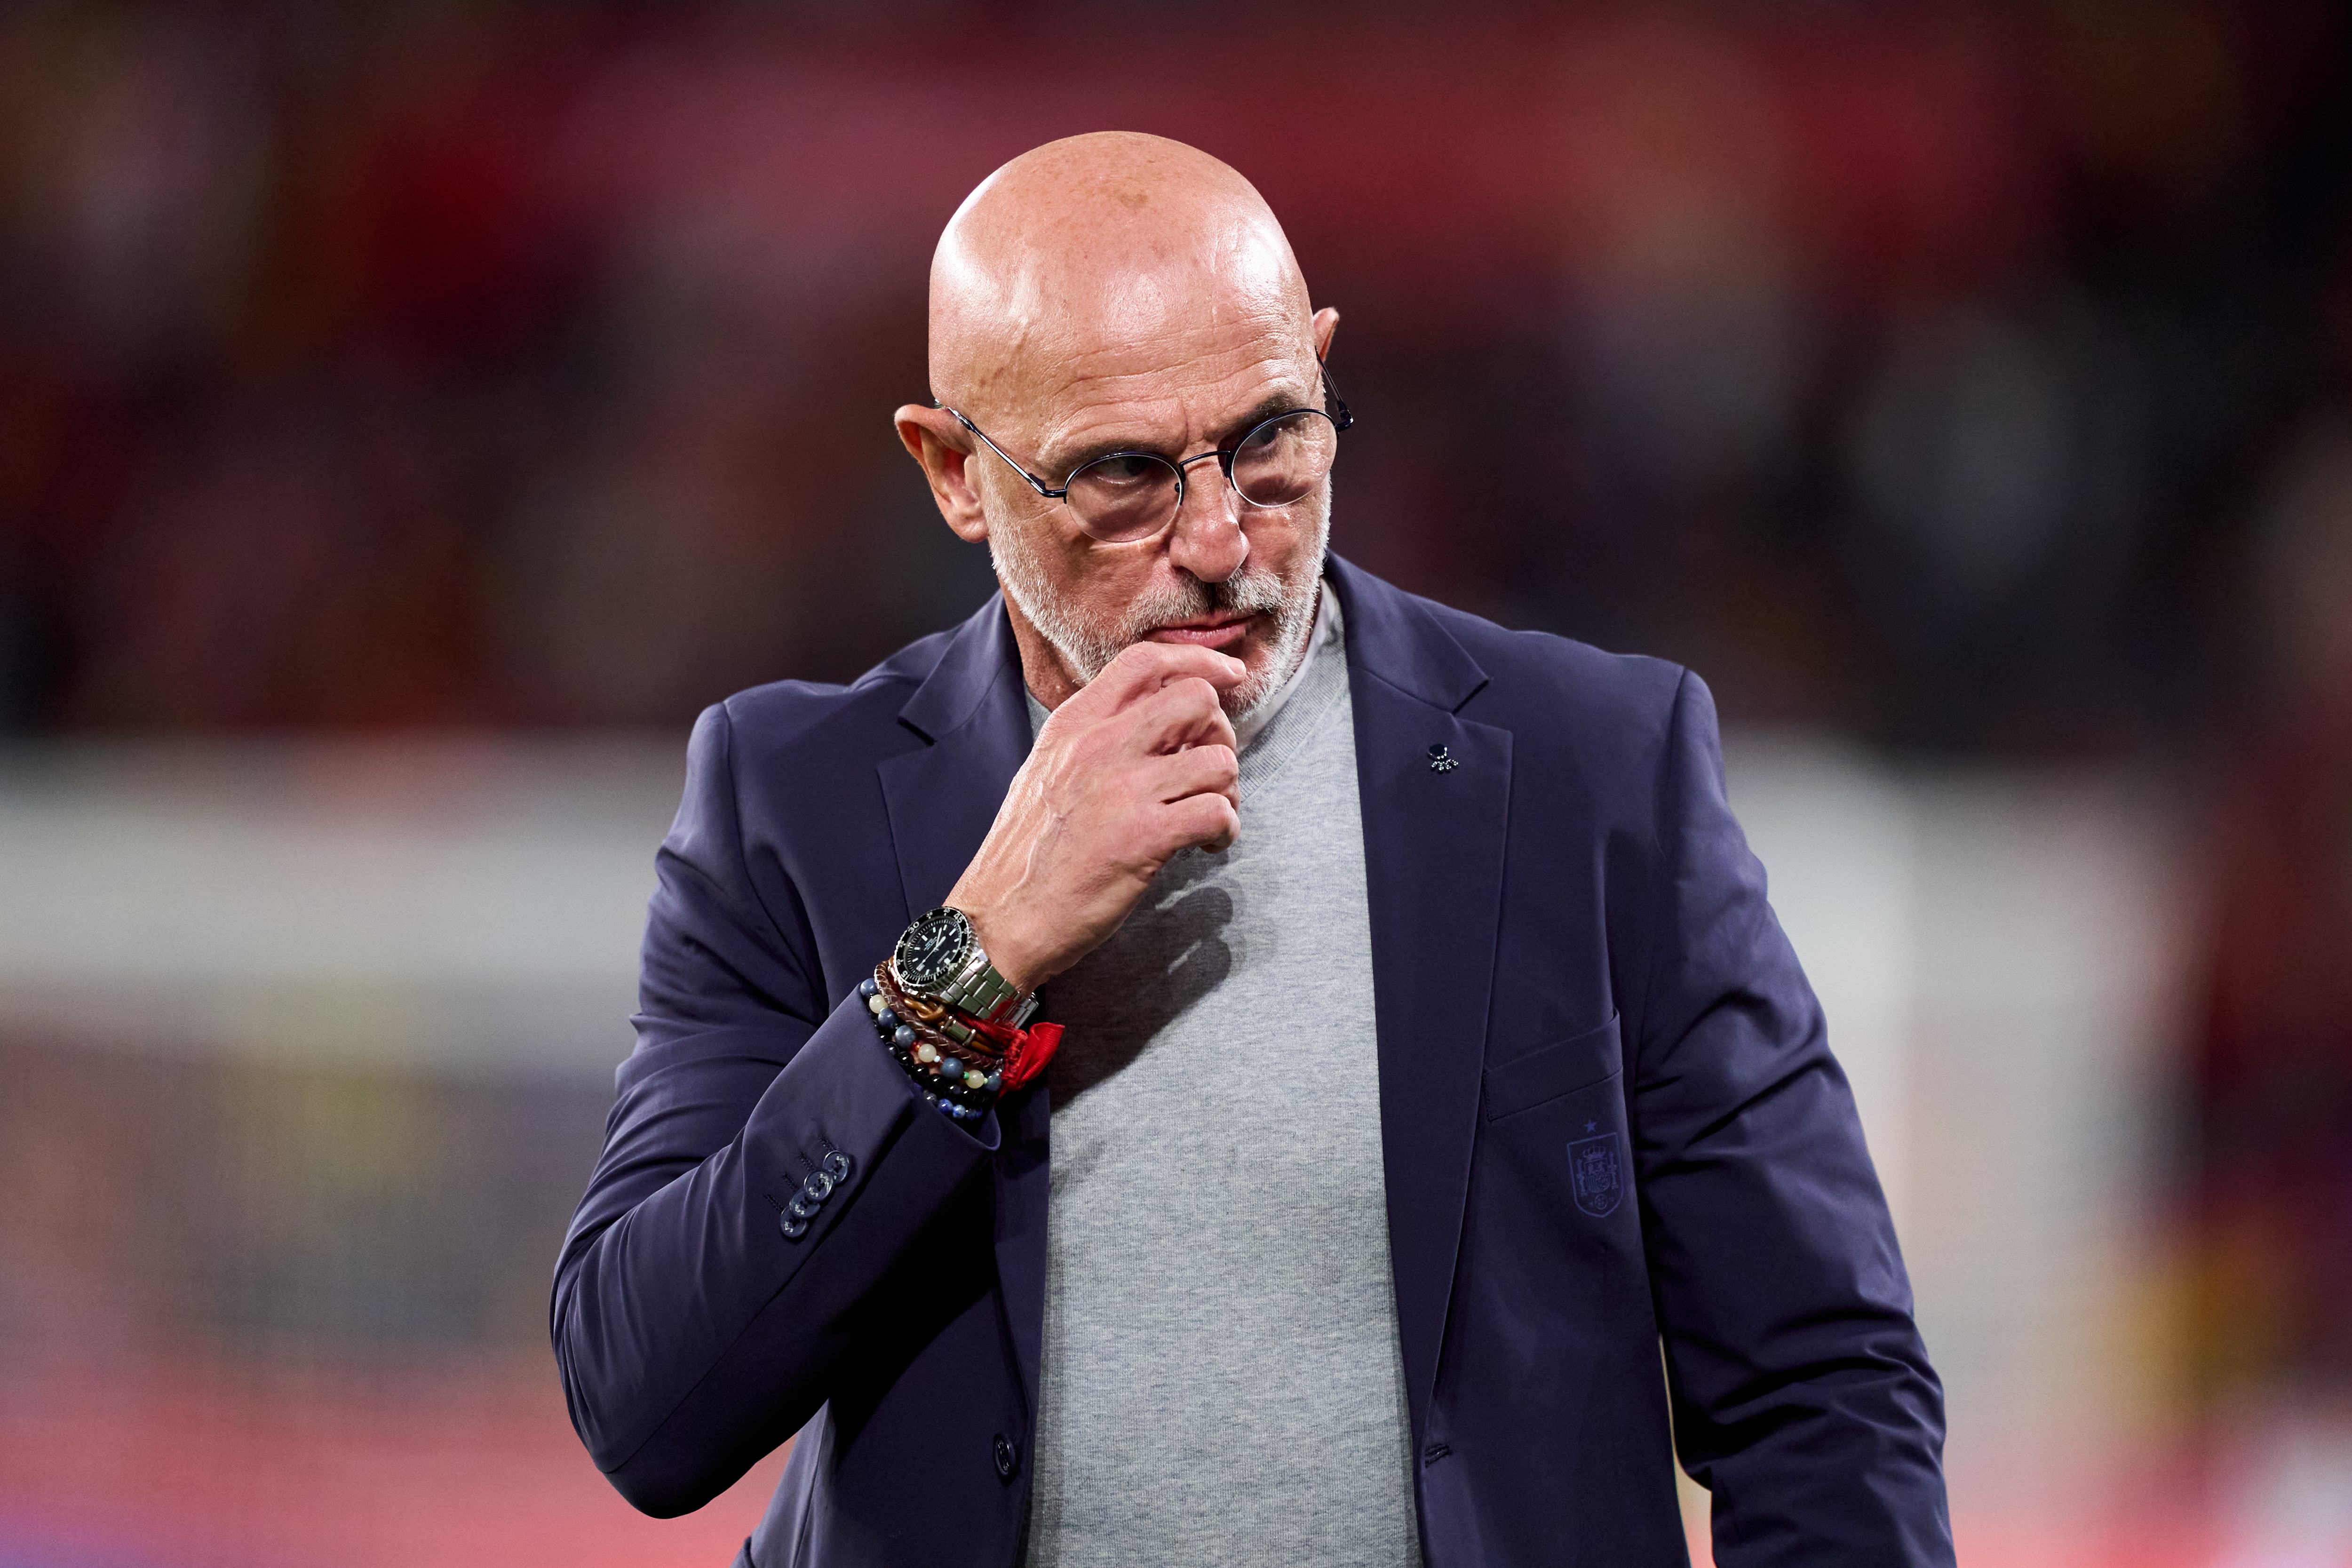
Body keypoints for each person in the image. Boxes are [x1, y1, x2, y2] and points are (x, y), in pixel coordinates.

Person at [552, 131, 1952, 1568]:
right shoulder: (796, 797)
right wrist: (967, 966)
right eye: (1123, 475)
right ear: (955, 473)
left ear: (1322, 360)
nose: (1223, 539)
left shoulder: (1599, 770)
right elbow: (649, 1409)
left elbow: (1822, 1391)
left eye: (1273, 437)